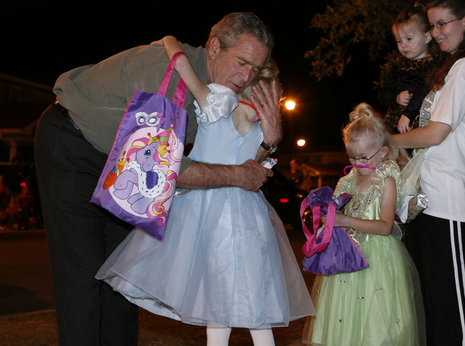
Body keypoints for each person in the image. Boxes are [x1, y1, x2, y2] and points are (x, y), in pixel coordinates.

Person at [34, 12, 282, 346]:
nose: (246, 75)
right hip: (75, 145)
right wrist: (238, 176)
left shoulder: (220, 92)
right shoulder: (166, 76)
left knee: (118, 276)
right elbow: (167, 169)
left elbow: (240, 146)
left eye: (255, 68)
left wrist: (269, 141)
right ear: (213, 48)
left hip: (124, 162)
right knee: (82, 275)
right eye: (241, 62)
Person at [96, 37, 314, 346]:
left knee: (214, 298)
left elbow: (182, 65)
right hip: (249, 214)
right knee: (256, 300)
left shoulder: (218, 102)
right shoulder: (266, 127)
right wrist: (272, 140)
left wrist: (169, 41)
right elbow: (255, 166)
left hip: (205, 210)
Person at [389, 0, 465, 345]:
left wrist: (387, 139)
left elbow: (437, 132)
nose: (436, 33)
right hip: (431, 198)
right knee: (435, 307)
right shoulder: (451, 70)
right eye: (433, 26)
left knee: (455, 311)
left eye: (443, 24)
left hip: (451, 199)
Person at [303, 103, 425, 345]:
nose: (357, 163)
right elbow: (336, 216)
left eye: (363, 157)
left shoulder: (386, 181)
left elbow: (385, 226)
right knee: (343, 322)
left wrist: (344, 220)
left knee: (376, 326)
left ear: (382, 152)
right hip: (346, 260)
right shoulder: (346, 181)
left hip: (377, 260)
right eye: (351, 157)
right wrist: (326, 221)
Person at [378, 4, 439, 135]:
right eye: (399, 41)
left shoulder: (433, 65)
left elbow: (424, 90)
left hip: (420, 128)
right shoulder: (398, 67)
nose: (403, 45)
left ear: (427, 37)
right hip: (394, 128)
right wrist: (396, 97)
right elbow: (382, 94)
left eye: (409, 39)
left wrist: (407, 114)